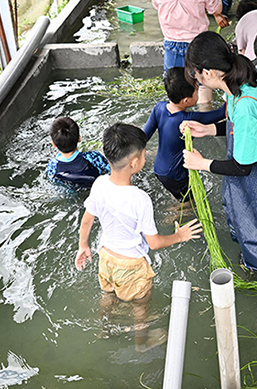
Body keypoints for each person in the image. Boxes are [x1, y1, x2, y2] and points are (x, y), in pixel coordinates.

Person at [181, 32, 257, 274]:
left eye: (196, 74)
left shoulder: (245, 103)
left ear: (208, 72)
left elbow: (242, 167)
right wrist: (208, 129)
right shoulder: (238, 87)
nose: (197, 79)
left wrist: (202, 163)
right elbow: (242, 128)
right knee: (250, 235)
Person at [75, 123, 202, 349]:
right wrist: (179, 236)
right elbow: (154, 243)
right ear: (135, 163)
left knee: (107, 295)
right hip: (132, 264)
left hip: (106, 257)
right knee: (140, 305)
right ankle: (141, 342)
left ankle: (104, 329)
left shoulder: (99, 184)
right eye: (143, 154)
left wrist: (83, 246)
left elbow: (87, 220)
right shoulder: (140, 199)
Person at [143, 68, 227, 202]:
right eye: (196, 91)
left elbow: (143, 137)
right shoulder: (188, 118)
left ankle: (175, 199)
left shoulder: (159, 108)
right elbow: (222, 113)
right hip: (176, 175)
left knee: (176, 193)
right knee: (188, 201)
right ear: (186, 100)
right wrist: (230, 89)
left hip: (160, 169)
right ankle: (175, 211)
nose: (198, 93)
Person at [46, 116, 110, 189]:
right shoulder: (92, 157)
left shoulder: (52, 167)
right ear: (79, 138)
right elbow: (111, 170)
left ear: (53, 144)